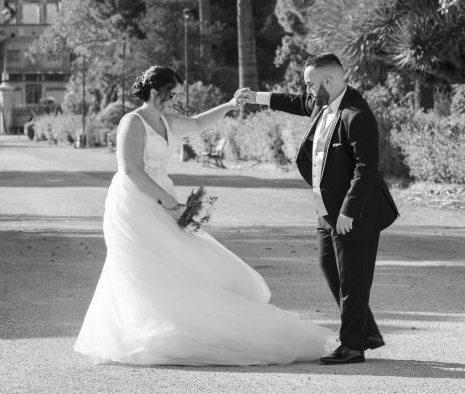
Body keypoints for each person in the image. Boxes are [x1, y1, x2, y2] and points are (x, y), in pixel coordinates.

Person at [74, 66, 332, 366]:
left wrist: (229, 105)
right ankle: (143, 330)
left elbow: (196, 125)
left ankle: (174, 325)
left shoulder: (165, 121)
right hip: (134, 204)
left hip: (164, 198)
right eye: (172, 95)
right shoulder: (132, 122)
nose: (175, 101)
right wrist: (169, 201)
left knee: (188, 259)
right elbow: (131, 170)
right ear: (155, 93)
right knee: (144, 265)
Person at [239, 53, 399, 365]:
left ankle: (352, 346)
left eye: (311, 84)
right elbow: (295, 101)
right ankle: (365, 333)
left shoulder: (357, 114)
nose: (308, 91)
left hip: (355, 214)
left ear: (329, 80)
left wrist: (348, 213)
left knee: (353, 281)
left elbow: (366, 169)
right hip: (325, 210)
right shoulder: (322, 102)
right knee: (332, 271)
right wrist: (254, 96)